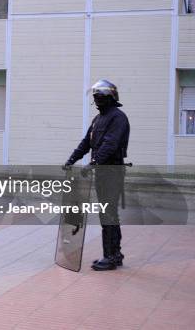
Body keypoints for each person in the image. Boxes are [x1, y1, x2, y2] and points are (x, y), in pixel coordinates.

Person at [64, 80, 130, 271]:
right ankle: (115, 254)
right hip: (102, 172)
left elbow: (110, 144)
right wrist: (71, 160)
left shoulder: (118, 118)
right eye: (95, 98)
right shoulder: (97, 120)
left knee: (108, 214)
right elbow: (86, 143)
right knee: (108, 214)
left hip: (112, 171)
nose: (97, 101)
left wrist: (94, 162)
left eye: (100, 97)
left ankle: (110, 256)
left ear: (110, 98)